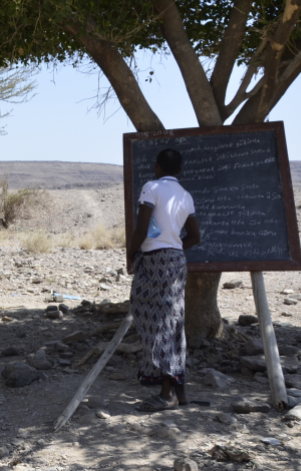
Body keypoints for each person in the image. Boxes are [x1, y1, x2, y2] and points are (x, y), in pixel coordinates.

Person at [127, 148, 201, 412]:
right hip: (176, 261)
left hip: (154, 261)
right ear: (179, 170)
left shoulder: (151, 187)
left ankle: (166, 393)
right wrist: (175, 244)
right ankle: (179, 391)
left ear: (157, 167)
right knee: (173, 321)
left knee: (154, 321)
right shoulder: (185, 195)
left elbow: (142, 228)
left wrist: (131, 254)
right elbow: (195, 236)